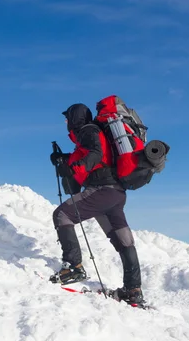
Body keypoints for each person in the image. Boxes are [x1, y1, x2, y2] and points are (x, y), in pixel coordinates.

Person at [50, 103, 145, 307]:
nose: (66, 122)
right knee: (124, 241)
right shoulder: (91, 133)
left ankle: (73, 266)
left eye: (68, 118)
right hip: (116, 194)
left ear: (76, 118)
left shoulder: (88, 130)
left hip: (102, 190)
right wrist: (64, 159)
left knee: (62, 215)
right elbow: (95, 155)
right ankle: (133, 290)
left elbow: (96, 152)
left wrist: (81, 165)